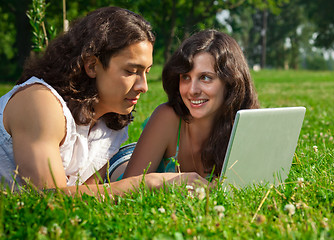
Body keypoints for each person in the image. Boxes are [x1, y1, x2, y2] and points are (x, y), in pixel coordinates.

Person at [0, 6, 205, 195]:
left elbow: (88, 196)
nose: (144, 86)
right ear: (91, 65)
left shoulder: (109, 124)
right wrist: (147, 183)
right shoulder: (39, 103)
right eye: (131, 71)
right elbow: (48, 200)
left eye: (146, 72)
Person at [123, 29, 259, 180]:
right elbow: (128, 186)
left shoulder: (244, 126)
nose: (192, 90)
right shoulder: (167, 117)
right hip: (122, 162)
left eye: (205, 78)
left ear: (230, 82)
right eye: (186, 77)